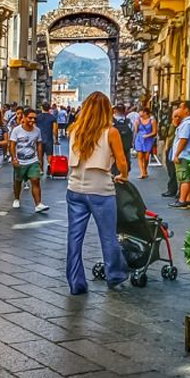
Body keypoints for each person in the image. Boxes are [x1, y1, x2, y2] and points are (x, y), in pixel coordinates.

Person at [65, 91, 130, 295]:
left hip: (74, 188)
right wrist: (123, 176)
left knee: (74, 237)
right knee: (108, 236)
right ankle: (115, 275)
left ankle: (76, 282)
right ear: (106, 110)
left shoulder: (74, 129)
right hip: (101, 190)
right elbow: (121, 162)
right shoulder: (110, 132)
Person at [9, 108, 48, 213]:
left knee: (35, 180)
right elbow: (12, 145)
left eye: (34, 118)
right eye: (30, 118)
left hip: (32, 160)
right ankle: (17, 198)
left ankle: (38, 204)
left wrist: (40, 160)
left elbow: (39, 144)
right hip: (20, 160)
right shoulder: (17, 130)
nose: (32, 120)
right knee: (18, 181)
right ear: (24, 118)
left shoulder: (37, 131)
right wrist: (13, 158)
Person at [170, 100, 190, 209]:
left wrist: (176, 154)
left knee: (184, 178)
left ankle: (182, 200)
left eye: (180, 108)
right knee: (189, 178)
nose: (178, 110)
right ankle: (189, 199)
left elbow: (183, 140)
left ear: (186, 110)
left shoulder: (187, 124)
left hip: (184, 154)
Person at [162, 105, 181, 199]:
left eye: (178, 116)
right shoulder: (171, 125)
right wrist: (166, 147)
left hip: (177, 149)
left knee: (176, 172)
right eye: (175, 116)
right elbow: (167, 136)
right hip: (170, 149)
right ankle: (172, 189)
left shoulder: (182, 126)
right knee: (171, 170)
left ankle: (176, 191)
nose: (176, 118)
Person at [134, 107, 157, 180]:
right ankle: (142, 172)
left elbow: (154, 132)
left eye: (141, 112)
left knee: (146, 157)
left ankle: (145, 169)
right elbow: (136, 131)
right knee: (140, 156)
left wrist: (147, 136)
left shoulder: (152, 121)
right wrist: (136, 125)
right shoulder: (138, 120)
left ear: (145, 113)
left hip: (148, 139)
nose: (139, 113)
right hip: (139, 139)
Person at [111, 104, 134, 176]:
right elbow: (132, 131)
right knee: (126, 160)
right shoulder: (128, 121)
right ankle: (124, 175)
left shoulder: (110, 121)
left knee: (113, 163)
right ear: (124, 111)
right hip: (126, 146)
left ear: (115, 110)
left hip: (113, 147)